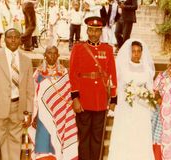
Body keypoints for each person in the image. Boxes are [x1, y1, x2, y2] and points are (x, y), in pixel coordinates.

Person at [69, 16, 118, 160]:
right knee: (83, 136)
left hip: (101, 100)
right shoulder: (78, 48)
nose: (94, 34)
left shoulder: (107, 49)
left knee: (98, 137)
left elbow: (112, 75)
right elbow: (73, 74)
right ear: (87, 30)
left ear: (101, 31)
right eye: (91, 30)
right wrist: (75, 98)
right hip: (83, 99)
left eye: (97, 31)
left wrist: (113, 99)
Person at [0, 28, 34, 160]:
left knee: (16, 141)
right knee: (0, 142)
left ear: (20, 40)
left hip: (18, 107)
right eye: (10, 37)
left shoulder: (26, 61)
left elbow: (29, 89)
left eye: (16, 37)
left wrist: (29, 111)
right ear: (5, 39)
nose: (13, 40)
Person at [27, 46, 78, 160]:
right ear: (45, 55)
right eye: (49, 53)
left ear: (58, 56)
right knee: (44, 145)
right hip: (43, 116)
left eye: (55, 53)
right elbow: (33, 96)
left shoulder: (64, 72)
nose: (52, 56)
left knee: (58, 144)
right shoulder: (38, 73)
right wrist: (34, 115)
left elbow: (68, 94)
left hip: (60, 115)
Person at [107, 39, 155, 160]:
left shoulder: (147, 69)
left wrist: (145, 96)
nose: (136, 54)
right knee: (126, 134)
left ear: (142, 53)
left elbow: (149, 88)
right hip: (126, 106)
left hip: (142, 107)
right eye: (133, 51)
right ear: (130, 52)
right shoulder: (123, 68)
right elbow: (117, 86)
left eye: (138, 51)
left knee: (139, 134)